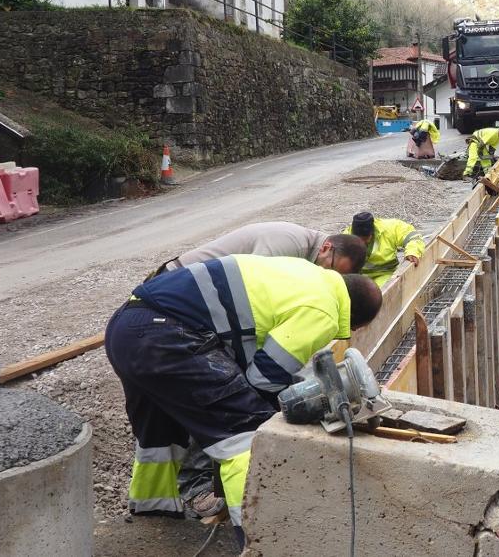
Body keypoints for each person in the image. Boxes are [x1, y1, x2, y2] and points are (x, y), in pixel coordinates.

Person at [105, 256, 382, 549]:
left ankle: (153, 519)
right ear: (352, 318)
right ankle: (258, 545)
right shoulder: (324, 311)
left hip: (127, 329)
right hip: (167, 336)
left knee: (161, 432)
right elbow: (264, 377)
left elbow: (248, 351)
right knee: (245, 436)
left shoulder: (307, 275)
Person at [147, 222, 366, 516]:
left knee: (224, 394)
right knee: (227, 399)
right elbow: (246, 308)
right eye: (334, 268)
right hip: (179, 300)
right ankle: (198, 486)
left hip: (202, 313)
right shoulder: (286, 246)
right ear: (327, 248)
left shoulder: (307, 258)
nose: (332, 277)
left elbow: (264, 320)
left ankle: (163, 500)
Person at [156, 222, 367, 276]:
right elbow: (251, 286)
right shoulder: (292, 244)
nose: (327, 275)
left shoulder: (308, 251)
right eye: (331, 268)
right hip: (178, 277)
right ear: (326, 248)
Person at [343, 210, 426, 287]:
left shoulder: (390, 228)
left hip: (386, 274)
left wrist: (412, 251)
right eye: (358, 240)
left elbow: (413, 237)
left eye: (365, 240)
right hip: (358, 278)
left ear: (372, 233)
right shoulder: (345, 238)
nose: (362, 243)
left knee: (381, 292)